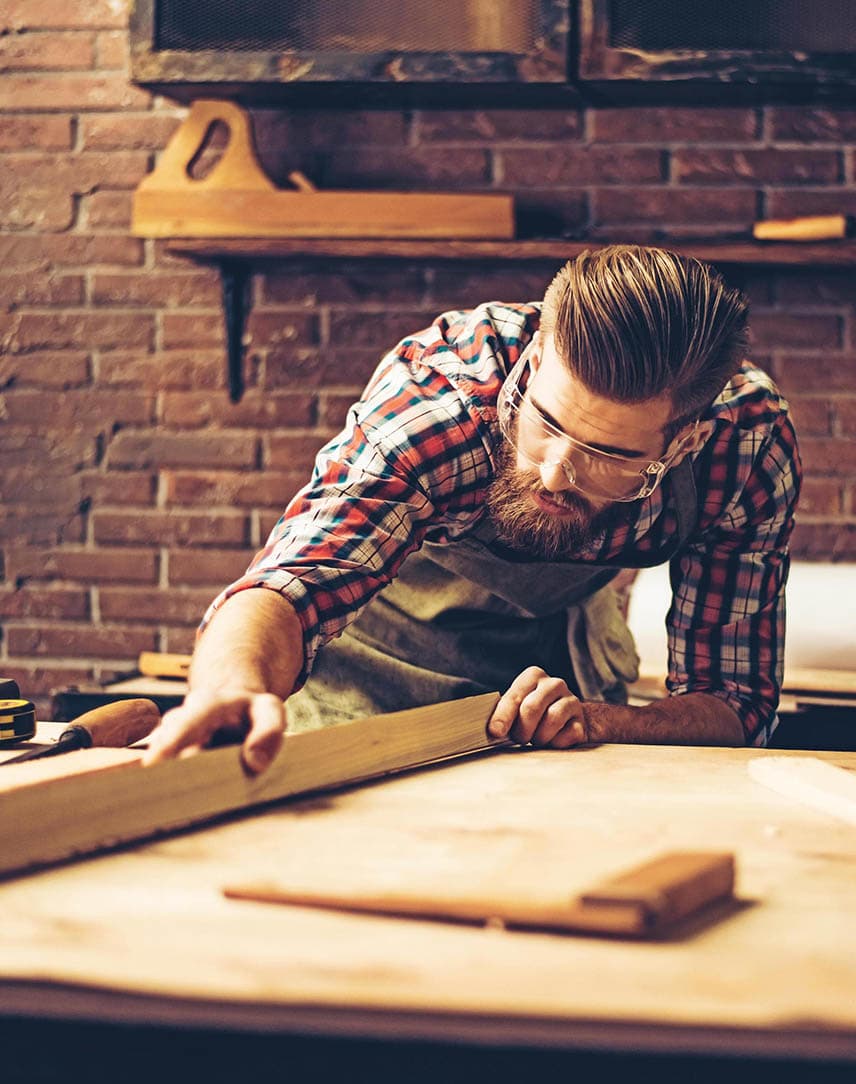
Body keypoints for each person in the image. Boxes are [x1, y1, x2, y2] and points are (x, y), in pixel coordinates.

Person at [144, 245, 801, 773]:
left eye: (606, 455)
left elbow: (735, 703)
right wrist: (232, 687)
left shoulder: (745, 446)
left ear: (685, 441)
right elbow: (292, 582)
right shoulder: (440, 403)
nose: (554, 472)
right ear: (539, 353)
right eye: (547, 422)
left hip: (554, 671)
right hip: (374, 664)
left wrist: (602, 720)